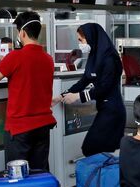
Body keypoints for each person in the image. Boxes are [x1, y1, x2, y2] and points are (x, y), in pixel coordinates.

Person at [0, 11, 56, 170]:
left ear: (22, 32)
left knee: (18, 177)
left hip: (20, 129)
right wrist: (6, 62)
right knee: (39, 173)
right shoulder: (48, 59)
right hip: (43, 127)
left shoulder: (15, 57)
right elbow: (29, 73)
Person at [52, 23, 126, 157]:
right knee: (98, 150)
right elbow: (84, 81)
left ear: (91, 37)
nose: (80, 44)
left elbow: (104, 87)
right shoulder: (95, 56)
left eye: (81, 40)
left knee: (91, 148)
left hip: (113, 111)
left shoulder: (110, 58)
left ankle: (104, 176)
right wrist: (61, 96)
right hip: (104, 109)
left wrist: (78, 97)